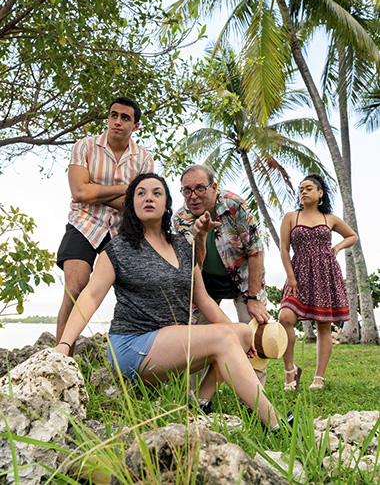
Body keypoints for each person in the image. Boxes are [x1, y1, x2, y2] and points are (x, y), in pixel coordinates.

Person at [55, 173, 285, 430]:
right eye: (140, 193)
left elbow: (205, 301)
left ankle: (200, 402)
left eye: (156, 193)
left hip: (170, 342)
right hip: (132, 344)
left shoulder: (183, 247)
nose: (149, 198)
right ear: (132, 204)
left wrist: (239, 338)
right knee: (225, 338)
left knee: (242, 332)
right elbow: (90, 296)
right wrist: (65, 343)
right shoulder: (118, 249)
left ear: (167, 205)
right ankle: (275, 424)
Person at [56, 97, 154, 354]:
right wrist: (127, 189)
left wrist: (96, 191)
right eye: (114, 115)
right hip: (84, 223)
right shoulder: (84, 146)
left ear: (136, 125)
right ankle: (61, 357)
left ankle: (136, 358)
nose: (117, 122)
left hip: (123, 230)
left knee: (135, 293)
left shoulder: (144, 159)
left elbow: (138, 206)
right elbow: (79, 192)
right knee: (75, 288)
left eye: (125, 118)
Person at [174, 165, 270, 387]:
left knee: (253, 332)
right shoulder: (181, 218)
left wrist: (254, 298)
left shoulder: (235, 205)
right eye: (187, 190)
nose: (193, 196)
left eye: (200, 188)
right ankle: (194, 398)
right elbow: (195, 263)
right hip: (206, 283)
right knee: (192, 335)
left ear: (214, 187)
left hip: (244, 280)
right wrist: (201, 235)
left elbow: (255, 251)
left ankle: (255, 400)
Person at [279, 173, 357, 390]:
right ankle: (290, 373)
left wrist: (337, 248)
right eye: (301, 188)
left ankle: (319, 378)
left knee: (324, 326)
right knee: (285, 317)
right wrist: (291, 277)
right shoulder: (291, 217)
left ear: (320, 193)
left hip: (325, 274)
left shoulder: (329, 219)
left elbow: (352, 236)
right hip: (298, 274)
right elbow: (284, 249)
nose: (303, 191)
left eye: (308, 188)